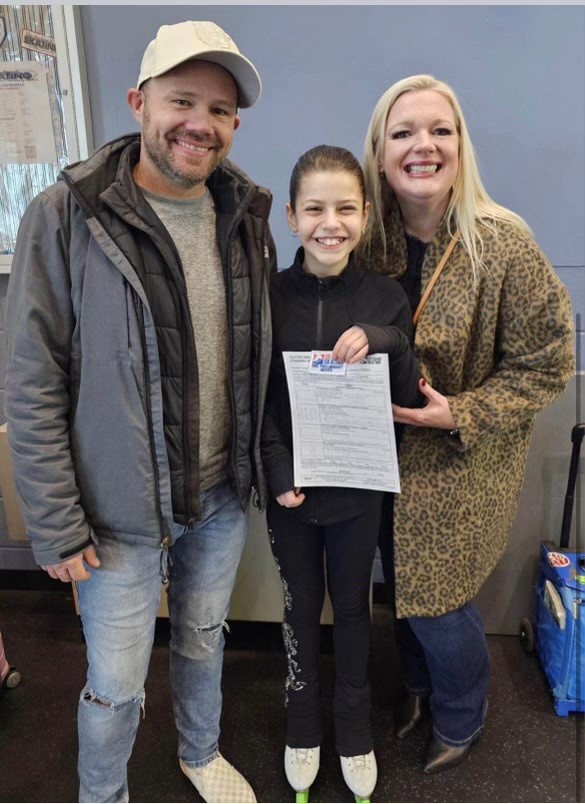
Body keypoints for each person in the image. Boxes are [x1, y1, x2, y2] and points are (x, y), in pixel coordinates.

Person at [5, 20, 275, 803]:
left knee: (201, 641)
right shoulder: (65, 214)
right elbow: (32, 378)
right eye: (182, 100)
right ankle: (103, 795)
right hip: (114, 515)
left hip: (218, 498)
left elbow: (252, 354)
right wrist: (54, 521)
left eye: (221, 110)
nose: (201, 123)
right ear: (138, 103)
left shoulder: (244, 215)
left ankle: (199, 751)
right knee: (115, 684)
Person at [360, 74, 574, 774]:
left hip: (460, 463)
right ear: (380, 150)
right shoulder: (362, 241)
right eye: (403, 133)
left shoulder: (502, 244)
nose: (422, 146)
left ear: (460, 145)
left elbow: (548, 361)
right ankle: (418, 693)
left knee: (440, 608)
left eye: (439, 130)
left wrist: (464, 411)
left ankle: (461, 715)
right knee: (400, 592)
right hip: (373, 460)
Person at [261, 145, 422, 801]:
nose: (331, 223)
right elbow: (259, 397)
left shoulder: (384, 295)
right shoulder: (269, 296)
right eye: (315, 208)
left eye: (345, 208)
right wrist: (274, 469)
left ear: (363, 215)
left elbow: (409, 391)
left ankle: (352, 729)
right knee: (300, 610)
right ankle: (303, 725)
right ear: (293, 216)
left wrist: (383, 339)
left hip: (358, 488)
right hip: (291, 492)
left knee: (354, 610)